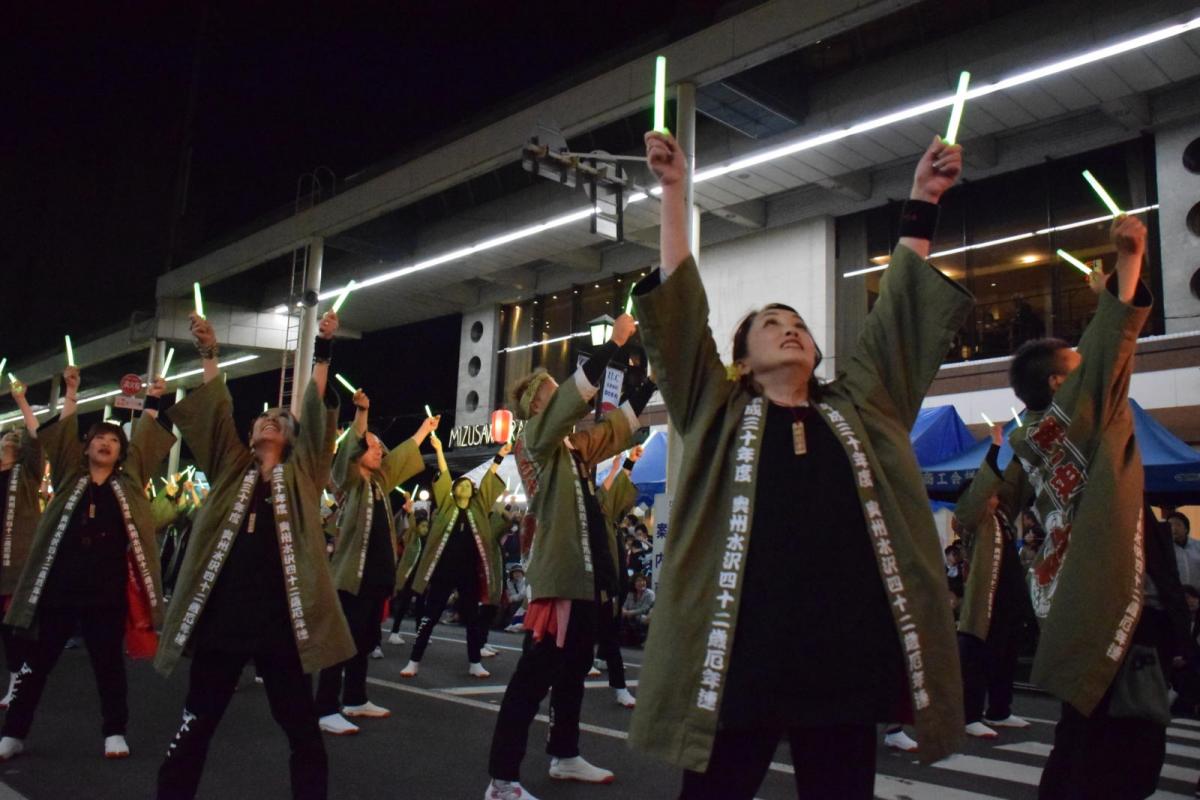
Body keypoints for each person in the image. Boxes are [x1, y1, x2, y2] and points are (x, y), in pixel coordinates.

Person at [629, 129, 971, 799]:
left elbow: (897, 317)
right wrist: (674, 193)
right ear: (741, 357)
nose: (790, 329)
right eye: (770, 325)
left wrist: (924, 199)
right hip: (740, 657)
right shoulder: (714, 409)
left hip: (844, 656)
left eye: (800, 325)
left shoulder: (861, 409)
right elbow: (675, 320)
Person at [155, 310, 355, 800]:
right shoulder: (230, 467)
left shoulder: (304, 473)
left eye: (278, 421)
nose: (268, 421)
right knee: (196, 723)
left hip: (283, 628)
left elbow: (314, 416)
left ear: (291, 439)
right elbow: (215, 414)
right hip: (223, 621)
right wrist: (209, 353)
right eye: (262, 419)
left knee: (302, 731)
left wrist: (324, 350)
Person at [998, 214, 1158, 799]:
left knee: (1083, 739)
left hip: (1071, 594)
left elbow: (1101, 359)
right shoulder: (1074, 421)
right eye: (1075, 368)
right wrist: (1129, 261)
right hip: (1103, 589)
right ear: (1060, 386)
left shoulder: (1044, 433)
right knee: (1119, 749)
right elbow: (1109, 350)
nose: (1095, 373)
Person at [484, 320, 656, 800]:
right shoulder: (533, 442)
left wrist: (652, 382)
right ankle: (501, 779)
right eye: (551, 394)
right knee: (534, 675)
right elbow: (571, 406)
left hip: (585, 575)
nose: (563, 396)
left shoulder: (571, 449)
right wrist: (614, 344)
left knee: (576, 665)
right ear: (535, 406)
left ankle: (564, 754)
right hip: (559, 576)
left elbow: (615, 429)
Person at [1, 366, 174, 762]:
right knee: (36, 665)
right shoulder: (67, 476)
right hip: (58, 590)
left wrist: (153, 403)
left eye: (114, 440)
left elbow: (145, 444)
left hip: (105, 593)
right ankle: (13, 732)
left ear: (120, 451)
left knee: (108, 666)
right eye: (99, 438)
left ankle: (114, 731)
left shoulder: (127, 483)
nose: (107, 444)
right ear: (85, 446)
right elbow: (60, 432)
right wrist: (72, 391)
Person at [314, 388, 437, 735]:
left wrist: (425, 431)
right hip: (351, 575)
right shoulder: (351, 482)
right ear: (356, 455)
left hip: (373, 577)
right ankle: (325, 707)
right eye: (372, 447)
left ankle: (354, 698)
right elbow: (349, 449)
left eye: (379, 447)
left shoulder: (381, 483)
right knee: (343, 640)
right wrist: (363, 414)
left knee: (363, 640)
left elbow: (400, 455)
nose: (379, 451)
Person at [400, 434, 508, 679]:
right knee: (430, 617)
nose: (466, 486)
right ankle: (413, 660)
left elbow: (490, 479)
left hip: (468, 572)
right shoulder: (447, 507)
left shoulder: (478, 509)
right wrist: (438, 449)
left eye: (470, 485)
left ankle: (475, 662)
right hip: (442, 570)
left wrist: (500, 456)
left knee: (471, 619)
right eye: (462, 484)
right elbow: (445, 471)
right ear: (454, 490)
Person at [953, 424, 1035, 740]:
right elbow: (976, 499)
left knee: (1006, 654)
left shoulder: (1001, 515)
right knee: (976, 659)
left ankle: (1000, 710)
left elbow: (1013, 484)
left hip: (1007, 599)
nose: (994, 495)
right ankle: (969, 714)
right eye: (986, 492)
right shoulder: (971, 519)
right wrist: (995, 449)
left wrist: (1023, 450)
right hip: (982, 604)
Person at [0, 379, 44, 709]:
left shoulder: (26, 475)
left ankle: (19, 680)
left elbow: (34, 434)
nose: (9, 441)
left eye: (13, 439)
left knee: (13, 628)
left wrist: (21, 402)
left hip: (14, 564)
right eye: (5, 437)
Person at [593, 447, 643, 708]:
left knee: (610, 635)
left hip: (608, 585)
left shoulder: (610, 524)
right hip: (584, 584)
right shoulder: (586, 515)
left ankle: (619, 685)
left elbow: (612, 491)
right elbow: (606, 493)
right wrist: (617, 468)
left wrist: (625, 464)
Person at [388, 507, 427, 645]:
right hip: (408, 577)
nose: (425, 528)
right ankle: (394, 632)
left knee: (421, 606)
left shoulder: (424, 541)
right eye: (422, 525)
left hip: (419, 578)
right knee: (403, 605)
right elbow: (409, 526)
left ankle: (420, 633)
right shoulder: (411, 538)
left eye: (426, 525)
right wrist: (409, 512)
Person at [620, 573, 654, 647]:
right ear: (634, 583)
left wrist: (629, 613)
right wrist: (623, 611)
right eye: (638, 581)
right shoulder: (630, 594)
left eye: (643, 581)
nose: (641, 583)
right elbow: (625, 606)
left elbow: (644, 609)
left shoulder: (649, 594)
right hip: (630, 616)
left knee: (641, 618)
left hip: (645, 616)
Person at [1171, 510, 1200, 592]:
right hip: (1175, 596)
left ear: (1186, 529)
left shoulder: (1198, 546)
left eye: (1178, 524)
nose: (1173, 528)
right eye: (1170, 525)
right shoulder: (1165, 549)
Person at [503, 565, 529, 632]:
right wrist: (512, 598)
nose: (517, 574)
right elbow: (511, 593)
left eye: (519, 572)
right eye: (515, 573)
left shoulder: (524, 581)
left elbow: (523, 594)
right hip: (514, 601)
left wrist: (513, 598)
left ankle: (516, 624)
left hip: (524, 601)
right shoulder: (510, 582)